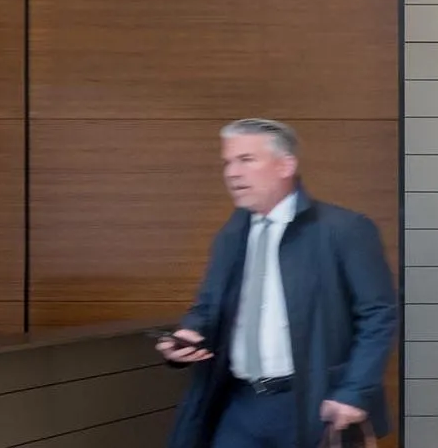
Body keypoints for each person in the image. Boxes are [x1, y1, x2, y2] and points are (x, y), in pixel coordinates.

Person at [157, 119, 400, 448]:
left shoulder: (343, 229)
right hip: (240, 403)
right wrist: (188, 334)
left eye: (246, 160)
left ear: (286, 165)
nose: (232, 173)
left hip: (312, 403)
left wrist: (354, 390)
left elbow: (378, 314)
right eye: (228, 162)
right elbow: (208, 305)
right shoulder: (232, 235)